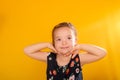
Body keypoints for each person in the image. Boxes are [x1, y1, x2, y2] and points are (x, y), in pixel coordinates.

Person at [24, 22, 107, 80]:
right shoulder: (50, 58)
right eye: (59, 39)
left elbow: (102, 53)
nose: (64, 42)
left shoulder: (78, 59)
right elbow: (27, 50)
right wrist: (47, 45)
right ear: (54, 43)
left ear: (75, 41)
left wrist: (80, 46)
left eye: (69, 38)